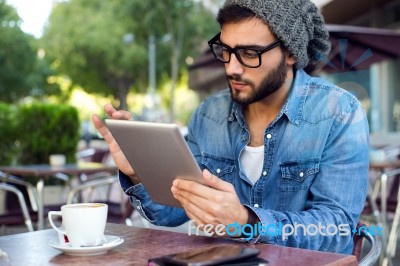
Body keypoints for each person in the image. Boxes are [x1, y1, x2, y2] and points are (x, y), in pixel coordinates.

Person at [92, 0, 369, 254]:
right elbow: (172, 213)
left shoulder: (338, 113)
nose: (232, 68)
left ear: (290, 53)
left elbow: (337, 229)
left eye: (249, 53)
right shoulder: (208, 115)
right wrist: (140, 173)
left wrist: (247, 221)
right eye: (226, 50)